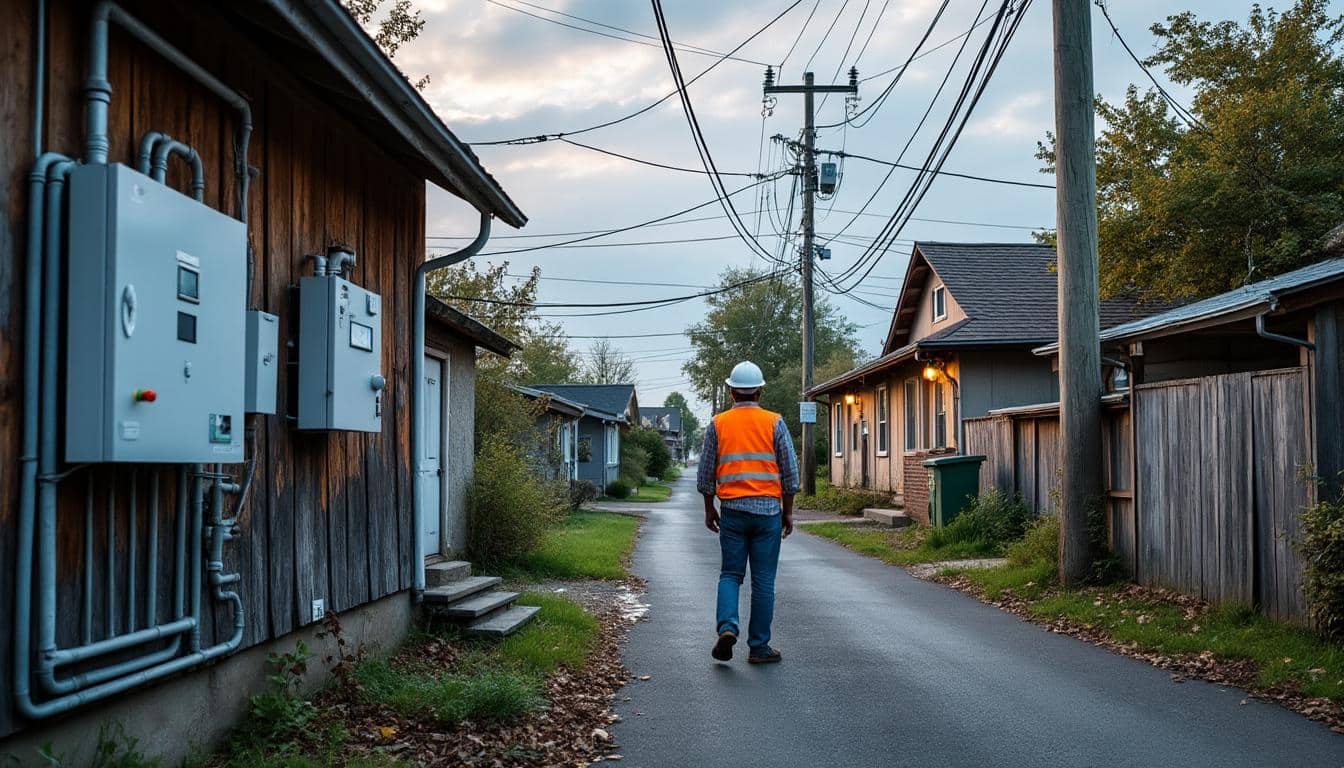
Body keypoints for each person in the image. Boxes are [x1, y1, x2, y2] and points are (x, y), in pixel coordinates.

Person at [696, 361, 799, 664]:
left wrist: (709, 509)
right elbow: (790, 474)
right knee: (764, 581)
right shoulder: (774, 422)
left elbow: (705, 474)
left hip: (732, 512)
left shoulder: (718, 424)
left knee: (730, 574)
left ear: (732, 392)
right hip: (767, 513)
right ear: (760, 391)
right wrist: (788, 512)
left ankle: (728, 627)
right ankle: (759, 647)